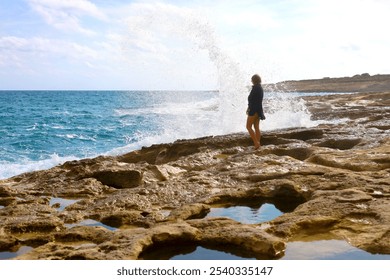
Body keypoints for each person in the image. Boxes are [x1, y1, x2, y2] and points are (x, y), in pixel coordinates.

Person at [246, 74, 265, 149]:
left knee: (248, 127)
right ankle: (258, 144)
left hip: (254, 110)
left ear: (254, 80)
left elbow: (252, 100)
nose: (251, 81)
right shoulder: (260, 88)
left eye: (252, 79)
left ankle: (256, 143)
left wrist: (249, 108)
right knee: (256, 127)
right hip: (259, 109)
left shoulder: (255, 88)